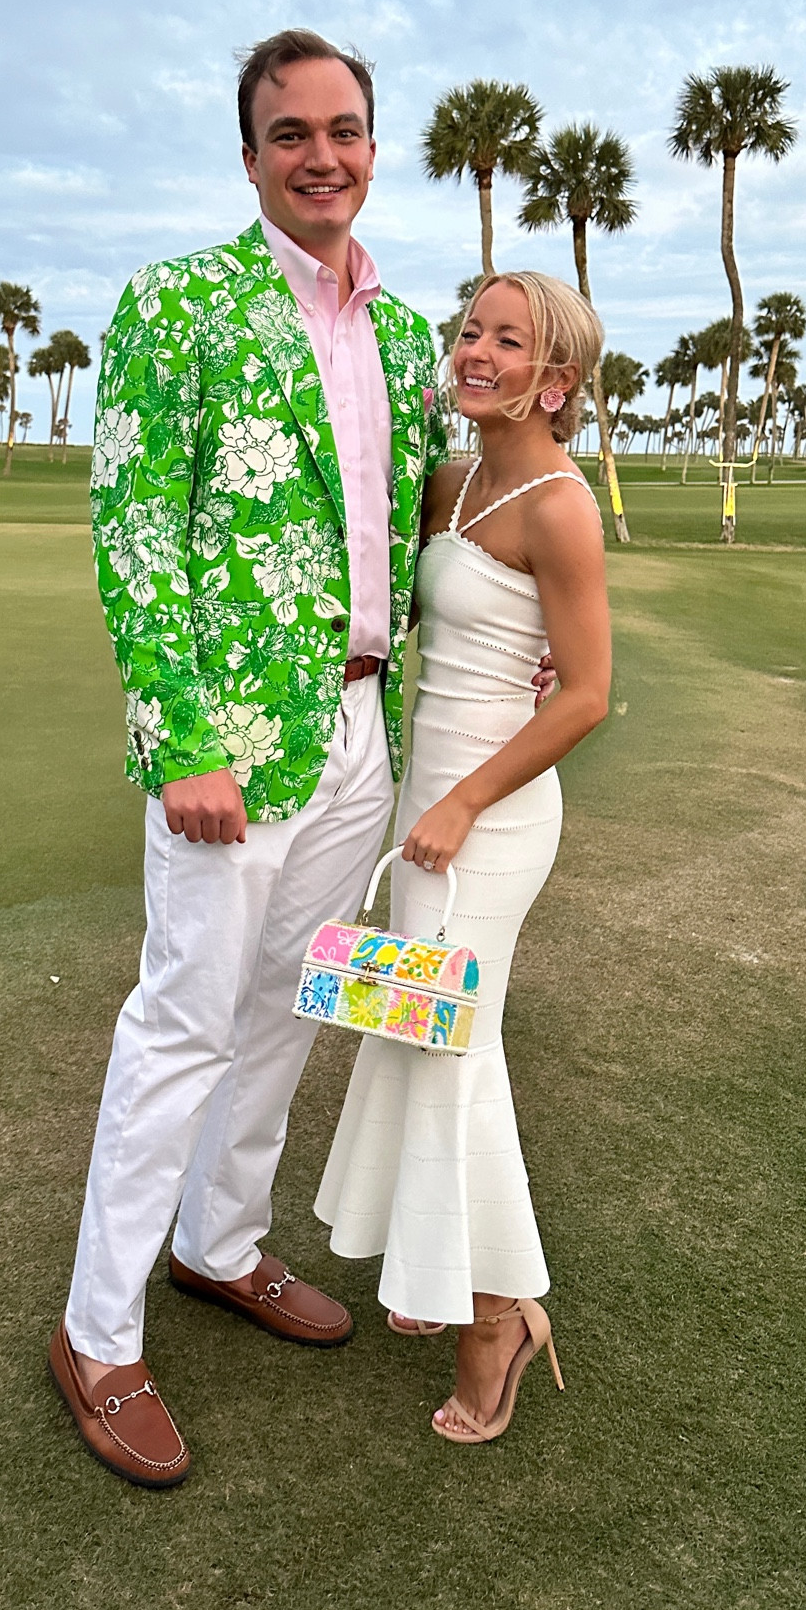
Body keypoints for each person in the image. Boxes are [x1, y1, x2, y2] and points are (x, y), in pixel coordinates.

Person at [48, 29, 448, 1488]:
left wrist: (521, 623)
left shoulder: (406, 332)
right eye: (293, 134)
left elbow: (433, 520)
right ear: (251, 156)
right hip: (229, 743)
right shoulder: (179, 305)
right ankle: (98, 1335)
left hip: (359, 730)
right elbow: (135, 529)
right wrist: (177, 740)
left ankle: (219, 1247)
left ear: (369, 142)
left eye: (345, 129)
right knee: (182, 1026)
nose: (324, 155)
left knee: (288, 1009)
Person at [315, 269, 612, 1444]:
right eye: (471, 330)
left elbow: (586, 695)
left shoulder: (560, 507)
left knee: (453, 1049)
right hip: (425, 799)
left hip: (491, 819)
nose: (474, 351)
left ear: (557, 379)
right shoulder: (452, 479)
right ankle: (439, 1270)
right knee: (414, 1025)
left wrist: (468, 802)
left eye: (507, 340)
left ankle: (501, 1314)